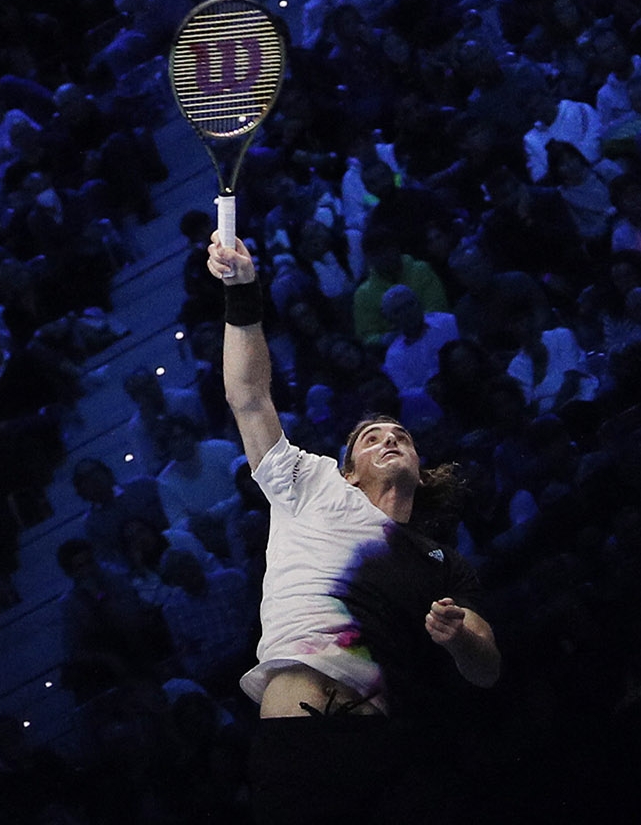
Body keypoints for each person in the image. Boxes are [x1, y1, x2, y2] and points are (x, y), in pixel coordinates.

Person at [207, 233, 499, 823]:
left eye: (402, 436)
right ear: (348, 468)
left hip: (389, 753)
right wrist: (242, 294)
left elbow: (486, 667)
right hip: (300, 747)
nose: (390, 437)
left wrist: (458, 636)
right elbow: (248, 395)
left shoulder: (440, 562)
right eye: (372, 437)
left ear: (421, 467)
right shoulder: (310, 486)